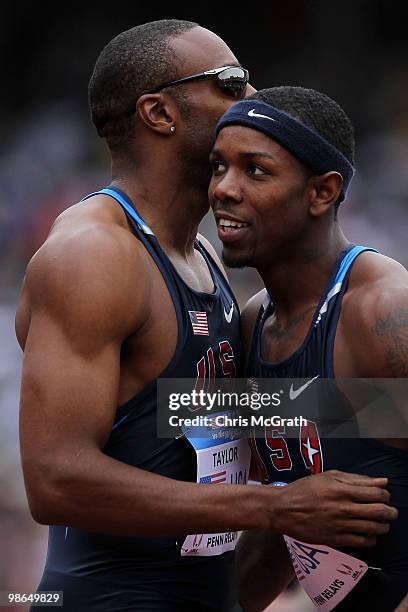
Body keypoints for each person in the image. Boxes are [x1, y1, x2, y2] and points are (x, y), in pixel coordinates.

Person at [16, 21, 398, 612]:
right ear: (159, 113)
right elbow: (55, 479)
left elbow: (181, 411)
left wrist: (379, 404)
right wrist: (274, 506)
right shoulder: (92, 255)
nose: (252, 98)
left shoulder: (207, 257)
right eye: (231, 81)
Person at [209, 87, 408, 611]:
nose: (224, 189)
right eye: (217, 167)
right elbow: (287, 512)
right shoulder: (255, 322)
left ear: (322, 193)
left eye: (256, 170)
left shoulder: (383, 313)